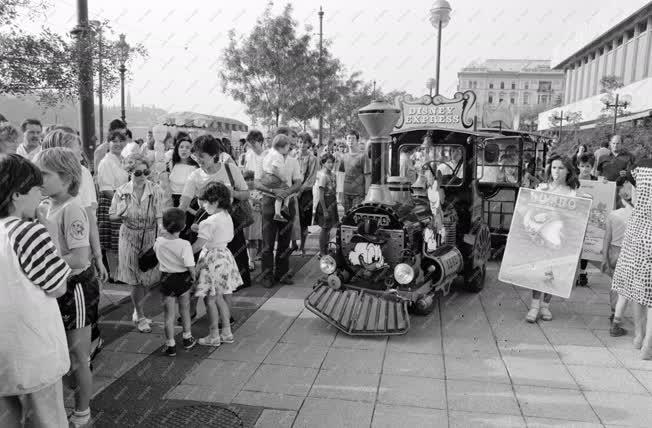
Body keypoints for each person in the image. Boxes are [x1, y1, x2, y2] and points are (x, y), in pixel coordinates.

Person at [0, 154, 70, 428]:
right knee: (46, 419)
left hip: (4, 352)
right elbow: (57, 286)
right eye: (35, 190)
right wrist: (50, 232)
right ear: (17, 193)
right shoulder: (28, 232)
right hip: (33, 352)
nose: (40, 196)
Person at [33, 148, 99, 427]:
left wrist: (43, 260)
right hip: (59, 286)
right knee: (61, 353)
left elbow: (80, 257)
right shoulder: (47, 206)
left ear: (66, 177)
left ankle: (82, 410)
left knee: (78, 355)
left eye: (44, 174)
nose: (38, 180)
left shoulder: (71, 208)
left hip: (76, 288)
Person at [41, 130, 108, 360]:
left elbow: (89, 218)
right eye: (75, 148)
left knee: (78, 347)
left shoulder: (73, 196)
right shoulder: (46, 200)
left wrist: (97, 256)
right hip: (61, 274)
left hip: (74, 275)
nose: (80, 154)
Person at [179, 135, 251, 291]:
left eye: (202, 156)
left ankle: (228, 295)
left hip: (228, 220)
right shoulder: (195, 175)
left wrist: (232, 193)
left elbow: (246, 194)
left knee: (231, 263)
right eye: (195, 155)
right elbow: (184, 202)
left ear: (213, 155)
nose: (198, 159)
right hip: (204, 220)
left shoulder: (230, 169)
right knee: (203, 263)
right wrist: (174, 219)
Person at [109, 153, 166, 333]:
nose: (142, 176)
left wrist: (161, 231)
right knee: (135, 281)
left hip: (150, 236)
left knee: (146, 280)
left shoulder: (156, 190)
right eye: (138, 173)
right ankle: (140, 315)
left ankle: (137, 309)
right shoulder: (121, 192)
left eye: (145, 172)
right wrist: (120, 213)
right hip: (128, 236)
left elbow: (159, 215)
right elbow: (111, 216)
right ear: (130, 172)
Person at [526, 155, 580, 323]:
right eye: (554, 167)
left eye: (561, 168)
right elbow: (530, 210)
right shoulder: (542, 188)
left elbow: (575, 218)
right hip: (541, 237)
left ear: (568, 171)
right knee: (539, 271)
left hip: (560, 239)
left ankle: (545, 306)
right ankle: (534, 306)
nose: (557, 171)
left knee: (553, 273)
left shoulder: (572, 193)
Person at [191, 182, 241, 347]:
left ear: (216, 201)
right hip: (225, 257)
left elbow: (198, 245)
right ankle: (226, 332)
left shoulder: (209, 222)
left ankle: (213, 335)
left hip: (211, 259)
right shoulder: (226, 215)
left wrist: (181, 254)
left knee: (210, 300)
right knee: (219, 297)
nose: (203, 205)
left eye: (206, 202)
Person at [610, 159, 652, 358]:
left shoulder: (640, 168)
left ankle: (638, 337)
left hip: (636, 231)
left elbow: (631, 193)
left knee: (636, 290)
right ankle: (648, 346)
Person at [255, 133, 302, 288]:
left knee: (284, 241)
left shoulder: (294, 161)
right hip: (269, 202)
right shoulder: (265, 158)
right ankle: (267, 275)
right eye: (287, 143)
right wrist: (274, 191)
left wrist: (286, 192)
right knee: (268, 243)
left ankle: (281, 273)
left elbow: (298, 182)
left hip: (288, 204)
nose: (289, 146)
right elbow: (256, 183)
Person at [154, 208, 197, 356]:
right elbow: (190, 266)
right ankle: (187, 338)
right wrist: (194, 277)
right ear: (184, 226)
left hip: (166, 279)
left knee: (168, 315)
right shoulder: (184, 244)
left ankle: (170, 344)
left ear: (164, 226)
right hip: (183, 279)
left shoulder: (159, 241)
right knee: (185, 310)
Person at [602, 182, 634, 337]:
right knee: (626, 287)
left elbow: (607, 238)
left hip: (613, 253)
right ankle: (617, 317)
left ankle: (614, 311)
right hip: (629, 253)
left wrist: (604, 258)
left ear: (621, 199)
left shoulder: (613, 215)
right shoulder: (639, 216)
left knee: (615, 284)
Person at [97, 130, 129, 281]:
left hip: (123, 200)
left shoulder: (123, 159)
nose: (117, 144)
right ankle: (114, 275)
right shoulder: (106, 162)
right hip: (111, 202)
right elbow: (106, 189)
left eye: (120, 140)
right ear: (108, 143)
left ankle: (119, 273)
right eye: (114, 141)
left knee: (121, 241)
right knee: (112, 242)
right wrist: (121, 203)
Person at [576, 153, 598, 287]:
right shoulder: (573, 180)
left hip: (590, 219)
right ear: (578, 166)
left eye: (588, 166)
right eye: (582, 166)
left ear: (592, 167)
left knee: (587, 246)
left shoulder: (597, 180)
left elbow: (604, 194)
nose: (585, 169)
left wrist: (606, 185)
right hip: (576, 217)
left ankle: (582, 272)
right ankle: (573, 271)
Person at [260, 135, 292, 222]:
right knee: (286, 189)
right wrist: (282, 177)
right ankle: (280, 211)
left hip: (265, 176)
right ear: (281, 147)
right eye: (287, 147)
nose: (288, 149)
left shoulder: (270, 153)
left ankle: (283, 207)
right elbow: (274, 169)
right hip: (272, 177)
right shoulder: (279, 155)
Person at [295, 133, 318, 255]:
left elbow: (311, 178)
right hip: (292, 192)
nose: (302, 144)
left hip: (306, 193)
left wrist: (301, 190)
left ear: (309, 144)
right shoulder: (293, 156)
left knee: (304, 222)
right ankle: (292, 244)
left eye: (304, 142)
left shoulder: (313, 159)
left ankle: (302, 246)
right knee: (292, 219)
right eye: (300, 142)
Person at [315, 154, 338, 256]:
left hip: (332, 201)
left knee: (329, 228)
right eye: (328, 162)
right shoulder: (323, 176)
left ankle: (326, 248)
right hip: (325, 202)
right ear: (323, 163)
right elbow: (321, 195)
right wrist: (324, 210)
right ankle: (322, 252)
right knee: (324, 228)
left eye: (332, 162)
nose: (331, 164)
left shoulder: (333, 175)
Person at [342, 130, 370, 212]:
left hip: (358, 194)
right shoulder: (344, 156)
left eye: (353, 138)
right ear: (346, 141)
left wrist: (366, 194)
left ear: (357, 140)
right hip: (346, 193)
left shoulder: (363, 156)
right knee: (347, 218)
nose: (350, 140)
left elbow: (367, 176)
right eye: (349, 138)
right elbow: (341, 176)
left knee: (356, 218)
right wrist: (340, 194)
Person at [168, 135, 199, 207]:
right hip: (172, 201)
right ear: (177, 149)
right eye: (181, 147)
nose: (184, 149)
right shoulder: (171, 163)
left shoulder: (196, 166)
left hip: (189, 202)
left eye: (188, 148)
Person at [243, 170, 262, 270]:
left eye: (251, 179)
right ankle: (247, 259)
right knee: (244, 240)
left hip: (255, 218)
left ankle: (251, 261)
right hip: (244, 218)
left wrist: (255, 202)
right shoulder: (241, 191)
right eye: (246, 179)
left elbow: (262, 205)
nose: (249, 182)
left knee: (253, 239)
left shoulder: (259, 191)